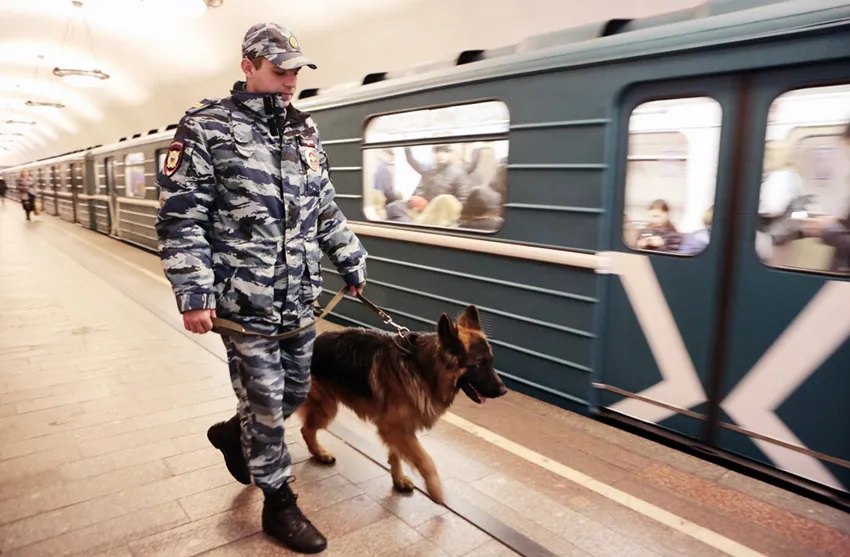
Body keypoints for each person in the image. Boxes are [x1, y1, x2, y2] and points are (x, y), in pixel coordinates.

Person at [155, 22, 368, 554]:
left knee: (295, 391)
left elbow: (322, 205)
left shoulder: (303, 130)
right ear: (248, 67)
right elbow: (182, 218)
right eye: (279, 70)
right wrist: (195, 292)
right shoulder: (206, 128)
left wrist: (350, 256)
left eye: (296, 69)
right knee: (270, 404)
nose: (290, 79)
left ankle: (233, 433)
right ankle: (279, 502)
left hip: (298, 298)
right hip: (240, 300)